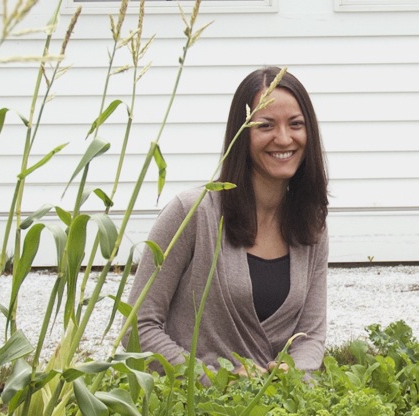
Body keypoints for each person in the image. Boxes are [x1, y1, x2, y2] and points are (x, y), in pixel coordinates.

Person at [129, 67, 329, 372]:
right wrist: (213, 379)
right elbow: (137, 328)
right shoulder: (191, 214)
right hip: (189, 410)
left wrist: (290, 375)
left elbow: (311, 337)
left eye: (296, 124)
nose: (284, 138)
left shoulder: (311, 225)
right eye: (266, 125)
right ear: (242, 132)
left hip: (274, 410)